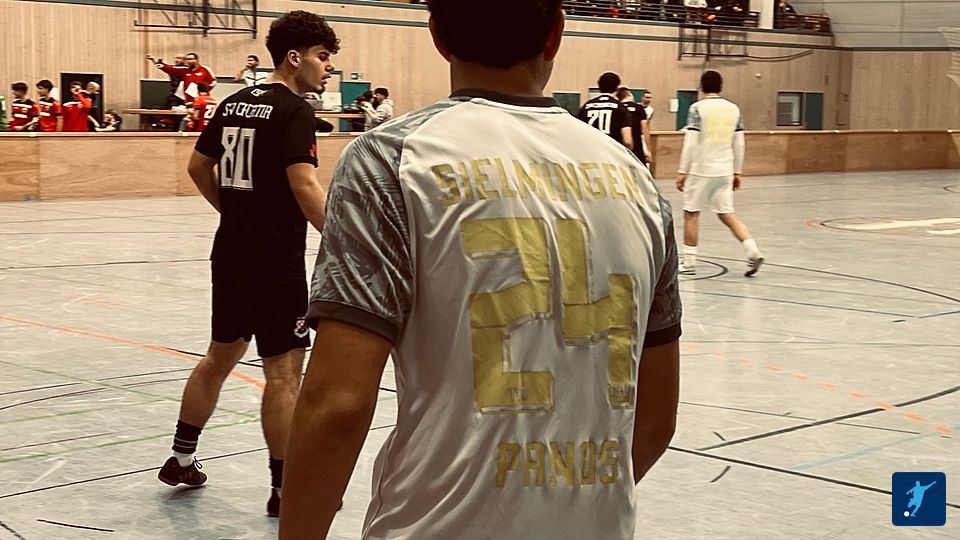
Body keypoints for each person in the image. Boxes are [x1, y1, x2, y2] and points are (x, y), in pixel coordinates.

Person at [279, 0, 682, 538]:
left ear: (438, 36)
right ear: (556, 34)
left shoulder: (391, 159)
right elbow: (654, 421)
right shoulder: (637, 181)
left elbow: (338, 405)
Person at [156, 10, 338, 519]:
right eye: (323, 57)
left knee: (219, 357)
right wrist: (344, 241)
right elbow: (304, 185)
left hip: (231, 252)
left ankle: (181, 458)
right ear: (294, 57)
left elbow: (199, 166)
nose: (328, 68)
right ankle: (285, 489)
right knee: (284, 374)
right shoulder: (295, 111)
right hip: (275, 262)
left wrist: (234, 212)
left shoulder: (234, 102)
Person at [676, 70, 763, 276]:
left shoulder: (697, 108)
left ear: (702, 86)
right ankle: (752, 249)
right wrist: (737, 172)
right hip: (724, 170)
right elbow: (739, 143)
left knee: (691, 214)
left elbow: (691, 142)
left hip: (701, 169)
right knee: (727, 214)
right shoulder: (734, 109)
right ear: (721, 86)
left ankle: (689, 263)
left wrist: (682, 170)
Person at [578, 71, 633, 151]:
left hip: (590, 151)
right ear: (617, 88)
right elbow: (627, 141)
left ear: (599, 87)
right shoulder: (620, 108)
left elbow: (578, 132)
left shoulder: (586, 106)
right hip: (612, 152)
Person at [149, 51, 216, 102]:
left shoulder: (205, 69)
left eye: (190, 59)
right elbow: (172, 69)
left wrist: (204, 90)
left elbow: (213, 82)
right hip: (188, 101)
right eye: (187, 59)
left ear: (196, 60)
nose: (188, 61)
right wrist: (160, 65)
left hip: (201, 100)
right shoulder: (184, 70)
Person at [616, 86, 650, 165]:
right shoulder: (639, 108)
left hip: (619, 147)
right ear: (629, 94)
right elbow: (645, 129)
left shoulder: (617, 108)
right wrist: (648, 149)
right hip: (636, 146)